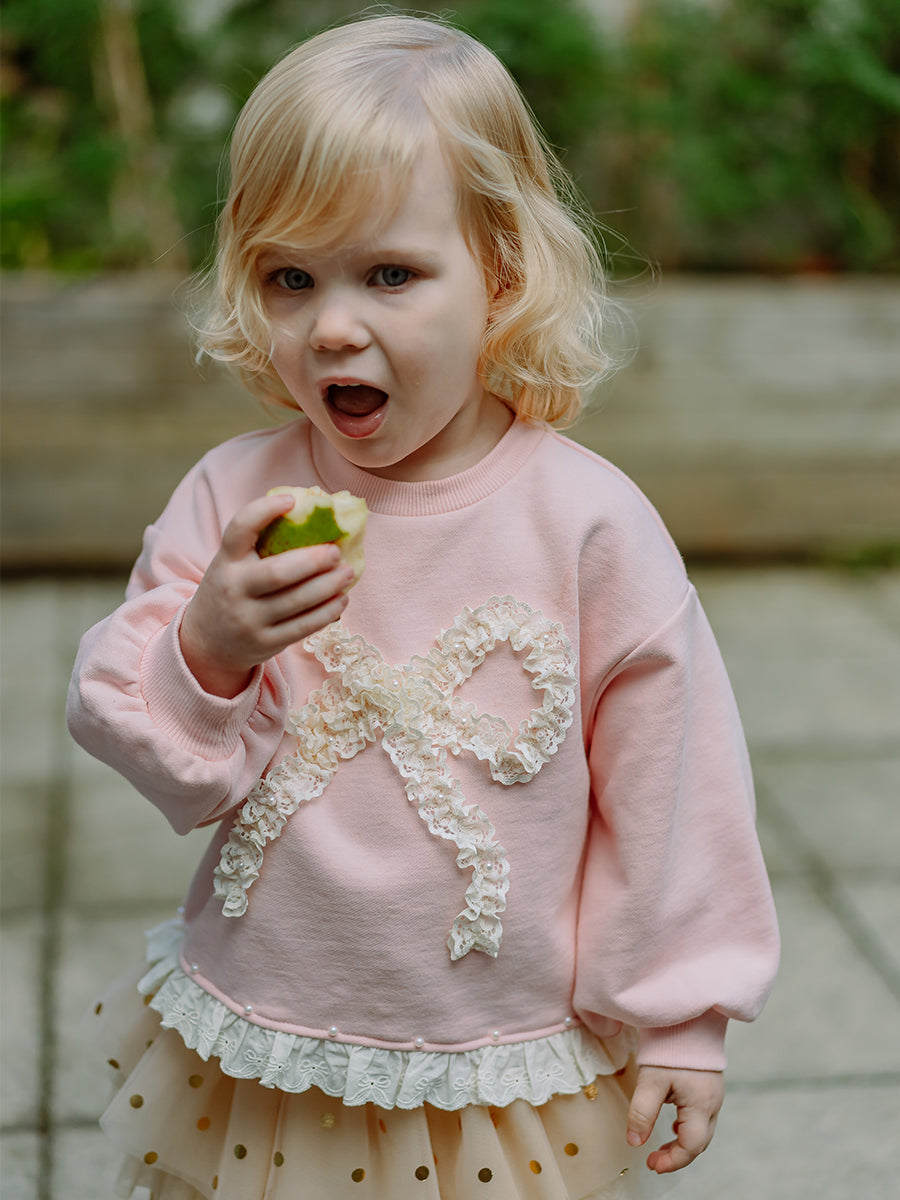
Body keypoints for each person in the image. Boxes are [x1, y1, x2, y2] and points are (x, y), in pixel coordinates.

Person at [67, 14, 779, 1200]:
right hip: (272, 1038)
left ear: (501, 271)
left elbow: (674, 787)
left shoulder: (586, 524)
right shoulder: (239, 500)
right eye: (290, 279)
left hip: (496, 1062)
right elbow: (169, 770)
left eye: (390, 274)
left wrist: (681, 1014)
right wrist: (211, 649)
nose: (333, 326)